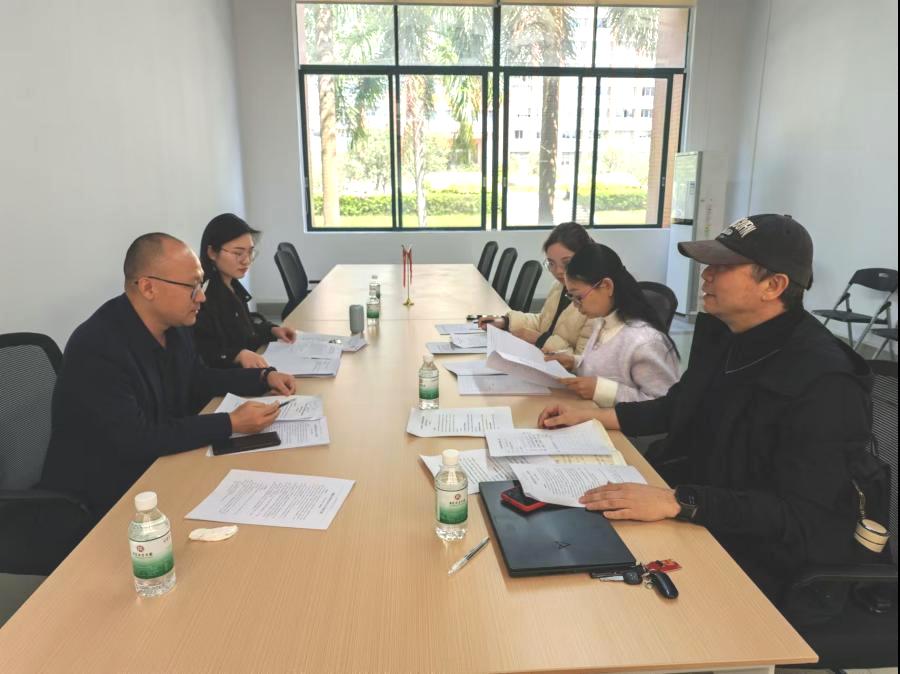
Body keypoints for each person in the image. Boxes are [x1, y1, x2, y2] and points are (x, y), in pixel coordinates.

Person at [537, 215, 876, 618]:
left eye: (723, 267)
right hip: (701, 513)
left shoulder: (825, 379)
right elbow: (677, 407)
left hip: (761, 560)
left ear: (773, 285)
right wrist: (592, 418)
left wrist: (678, 502)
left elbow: (801, 516)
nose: (705, 275)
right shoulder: (727, 335)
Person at [41, 233, 297, 520]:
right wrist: (231, 422)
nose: (201, 297)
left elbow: (198, 379)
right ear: (148, 287)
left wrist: (262, 378)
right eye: (192, 287)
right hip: (103, 498)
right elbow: (138, 438)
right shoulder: (98, 347)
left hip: (158, 467)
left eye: (202, 285)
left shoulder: (174, 325)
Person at [544, 243, 679, 406]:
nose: (575, 304)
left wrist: (602, 390)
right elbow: (606, 368)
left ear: (606, 286)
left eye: (578, 297)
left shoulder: (645, 342)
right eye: (571, 297)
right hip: (593, 412)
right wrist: (575, 362)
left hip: (620, 422)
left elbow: (664, 404)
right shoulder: (603, 321)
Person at [195, 213, 296, 368]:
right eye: (238, 253)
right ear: (212, 253)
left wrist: (272, 330)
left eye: (250, 252)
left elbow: (244, 331)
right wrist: (237, 355)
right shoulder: (203, 296)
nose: (246, 260)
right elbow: (206, 353)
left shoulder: (233, 286)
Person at [478, 222, 595, 354]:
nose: (558, 271)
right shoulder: (559, 287)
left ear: (585, 257)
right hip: (542, 359)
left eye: (567, 263)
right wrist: (506, 321)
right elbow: (543, 322)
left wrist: (540, 339)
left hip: (557, 366)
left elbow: (582, 361)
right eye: (551, 263)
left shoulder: (596, 301)